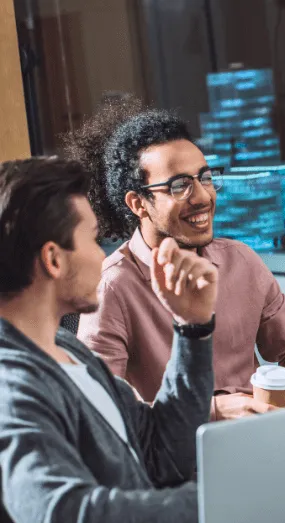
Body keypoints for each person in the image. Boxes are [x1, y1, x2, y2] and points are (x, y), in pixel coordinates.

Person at [65, 98, 285, 419]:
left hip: (260, 437)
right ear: (138, 203)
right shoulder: (113, 286)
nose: (202, 197)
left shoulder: (241, 261)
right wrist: (212, 410)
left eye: (204, 177)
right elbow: (101, 410)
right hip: (184, 458)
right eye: (179, 186)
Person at [0, 157, 217, 521]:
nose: (102, 255)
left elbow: (160, 454)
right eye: (93, 238)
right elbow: (59, 512)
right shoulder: (13, 386)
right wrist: (218, 500)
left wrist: (192, 327)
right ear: (54, 259)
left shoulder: (68, 351)